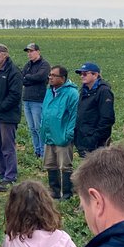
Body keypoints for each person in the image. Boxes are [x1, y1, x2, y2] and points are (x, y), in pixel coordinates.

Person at [0, 44, 23, 192]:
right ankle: (2, 173)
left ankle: (10, 176)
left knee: (7, 146)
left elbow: (15, 95)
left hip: (7, 117)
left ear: (5, 55)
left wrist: (1, 107)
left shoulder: (14, 72)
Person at [40, 66, 79, 200]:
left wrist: (68, 134)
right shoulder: (49, 91)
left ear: (62, 78)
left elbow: (74, 115)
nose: (50, 77)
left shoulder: (72, 94)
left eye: (54, 75)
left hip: (62, 135)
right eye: (49, 75)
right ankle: (54, 191)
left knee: (65, 165)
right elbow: (45, 111)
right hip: (49, 134)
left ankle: (67, 193)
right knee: (50, 164)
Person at [72, 63, 114, 159]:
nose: (82, 76)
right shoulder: (84, 90)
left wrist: (94, 138)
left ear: (95, 75)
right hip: (83, 138)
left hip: (95, 142)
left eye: (85, 74)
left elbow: (107, 118)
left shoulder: (104, 91)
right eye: (81, 74)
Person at [21, 43, 51, 159]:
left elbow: (41, 77)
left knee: (39, 128)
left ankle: (44, 153)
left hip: (38, 100)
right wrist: (30, 78)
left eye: (31, 51)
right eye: (28, 52)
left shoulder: (45, 64)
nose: (29, 54)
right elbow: (21, 78)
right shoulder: (28, 65)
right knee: (32, 128)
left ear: (38, 51)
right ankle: (37, 151)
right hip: (27, 99)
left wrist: (28, 77)